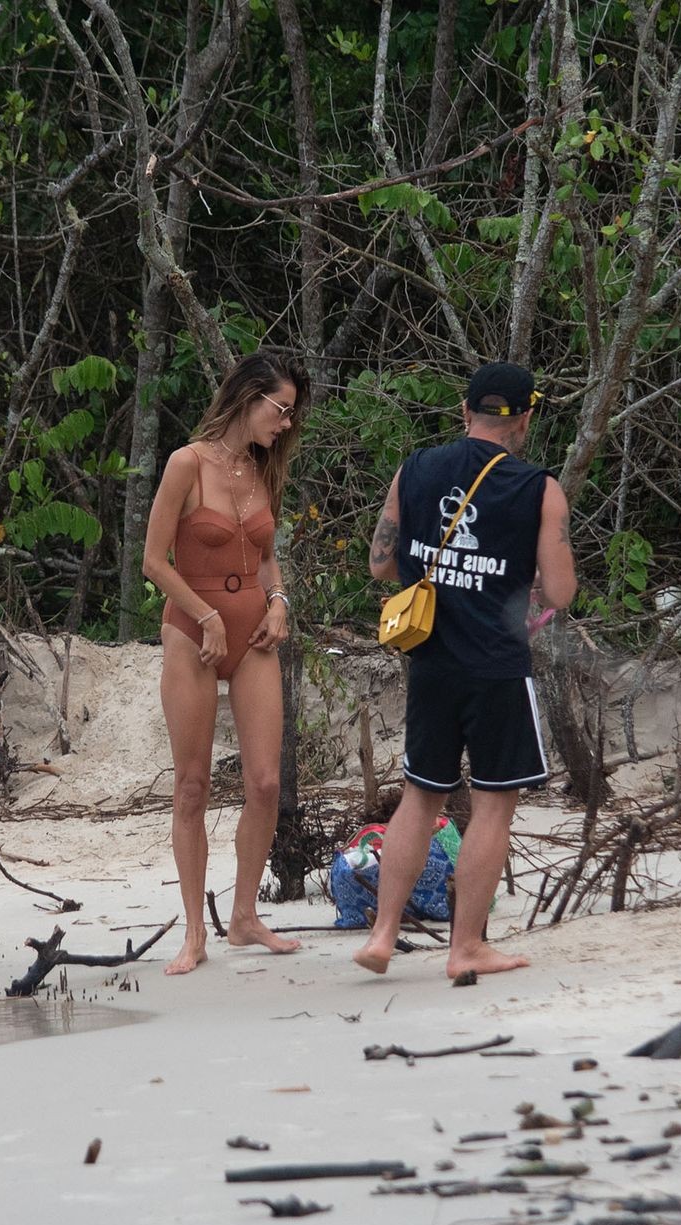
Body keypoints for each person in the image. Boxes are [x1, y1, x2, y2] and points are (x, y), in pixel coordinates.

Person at [354, 361, 578, 979]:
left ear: (465, 410)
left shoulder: (416, 469)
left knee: (420, 799)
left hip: (430, 661)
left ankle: (382, 934)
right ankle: (466, 947)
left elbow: (380, 562)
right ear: (526, 418)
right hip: (497, 667)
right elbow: (560, 590)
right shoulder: (539, 488)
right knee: (492, 808)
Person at [143, 350, 310, 975]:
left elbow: (267, 558)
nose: (286, 424)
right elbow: (154, 561)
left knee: (265, 782)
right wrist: (205, 616)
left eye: (292, 414)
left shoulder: (263, 470)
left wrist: (279, 602)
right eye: (281, 410)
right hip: (192, 632)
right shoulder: (187, 463)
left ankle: (244, 917)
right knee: (193, 786)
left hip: (252, 638)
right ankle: (194, 932)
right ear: (248, 397)